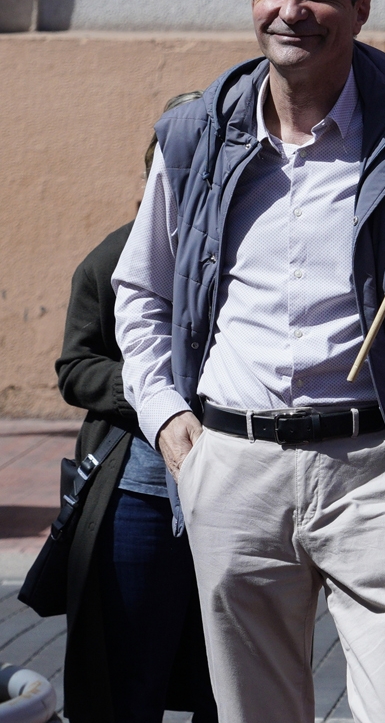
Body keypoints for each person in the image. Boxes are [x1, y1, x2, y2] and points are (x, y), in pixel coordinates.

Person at [112, 0, 385, 723]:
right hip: (232, 468)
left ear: (361, 8)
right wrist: (168, 422)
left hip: (374, 469)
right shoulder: (195, 134)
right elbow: (140, 290)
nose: (292, 9)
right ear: (252, 1)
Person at [56, 91, 217, 723]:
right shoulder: (109, 259)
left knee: (227, 680)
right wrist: (157, 398)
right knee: (127, 676)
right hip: (139, 496)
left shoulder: (248, 251)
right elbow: (76, 367)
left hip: (234, 492)